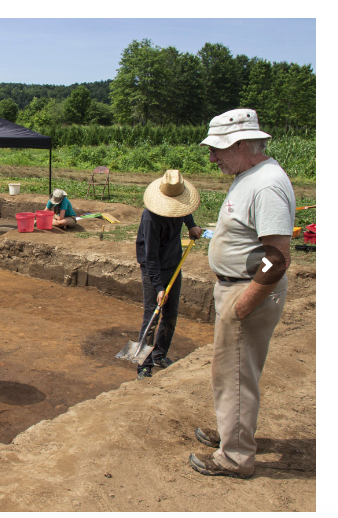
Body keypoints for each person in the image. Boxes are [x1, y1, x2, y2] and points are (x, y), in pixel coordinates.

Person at [188, 108, 295, 479]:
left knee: (234, 374)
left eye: (216, 149)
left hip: (247, 291)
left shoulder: (266, 185)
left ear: (242, 144)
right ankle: (232, 433)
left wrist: (245, 303)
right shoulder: (249, 176)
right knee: (232, 371)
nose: (212, 157)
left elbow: (278, 258)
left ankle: (234, 456)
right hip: (236, 287)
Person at [135, 170, 202, 380]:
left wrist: (191, 225)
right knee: (152, 315)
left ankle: (159, 355)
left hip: (174, 264)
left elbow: (185, 212)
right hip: (153, 269)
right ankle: (143, 364)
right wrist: (158, 287)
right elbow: (150, 257)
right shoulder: (150, 219)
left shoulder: (180, 208)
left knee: (171, 315)